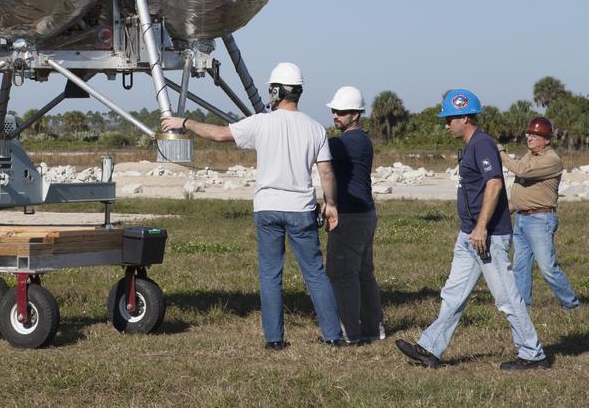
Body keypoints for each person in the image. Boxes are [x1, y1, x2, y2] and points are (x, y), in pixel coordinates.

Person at [161, 62, 344, 348]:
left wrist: (185, 123)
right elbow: (326, 173)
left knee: (271, 275)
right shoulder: (315, 129)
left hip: (268, 207)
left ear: (276, 90)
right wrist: (330, 204)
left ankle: (274, 339)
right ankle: (333, 335)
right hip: (300, 209)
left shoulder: (261, 122)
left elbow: (219, 134)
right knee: (315, 274)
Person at [396, 89, 549, 371]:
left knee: (505, 297)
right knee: (453, 293)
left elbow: (494, 184)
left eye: (449, 119)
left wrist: (481, 227)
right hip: (469, 235)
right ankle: (430, 347)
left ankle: (532, 353)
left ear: (464, 117)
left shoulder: (482, 145)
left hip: (487, 236)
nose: (445, 124)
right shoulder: (472, 146)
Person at [500, 116, 580, 310]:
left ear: (547, 139)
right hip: (521, 218)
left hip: (540, 219)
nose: (530, 138)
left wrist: (500, 153)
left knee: (547, 268)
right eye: (529, 134)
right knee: (520, 266)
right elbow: (523, 178)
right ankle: (522, 305)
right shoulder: (531, 155)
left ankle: (571, 304)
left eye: (536, 135)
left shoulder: (552, 160)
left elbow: (522, 171)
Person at [325, 86, 384, 344]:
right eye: (334, 111)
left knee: (342, 274)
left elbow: (317, 151)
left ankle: (350, 332)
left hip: (350, 216)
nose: (336, 115)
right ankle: (373, 328)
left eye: (341, 112)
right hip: (366, 213)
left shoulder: (345, 143)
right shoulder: (362, 140)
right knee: (363, 273)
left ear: (356, 115)